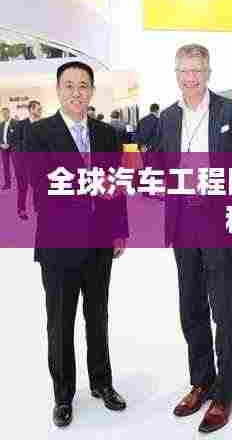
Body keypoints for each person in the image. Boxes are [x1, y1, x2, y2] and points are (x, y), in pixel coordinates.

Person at [154, 44, 232, 434]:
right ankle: (202, 381)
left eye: (197, 70)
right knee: (191, 307)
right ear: (176, 73)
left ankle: (225, 394)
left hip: (221, 221)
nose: (190, 77)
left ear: (209, 72)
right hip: (183, 222)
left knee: (225, 311)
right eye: (184, 70)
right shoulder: (167, 118)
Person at [25, 61, 129, 427]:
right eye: (68, 85)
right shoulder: (39, 134)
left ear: (92, 91)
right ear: (58, 90)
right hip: (59, 246)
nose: (76, 92)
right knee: (60, 323)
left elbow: (117, 186)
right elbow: (43, 188)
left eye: (83, 85)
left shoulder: (106, 134)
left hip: (100, 244)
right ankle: (63, 396)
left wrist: (120, 230)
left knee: (98, 317)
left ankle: (102, 383)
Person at [14, 100, 43, 219]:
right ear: (31, 110)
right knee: (23, 187)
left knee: (38, 186)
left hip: (38, 163)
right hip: (23, 162)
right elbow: (16, 143)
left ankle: (38, 207)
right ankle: (21, 209)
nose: (40, 111)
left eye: (41, 109)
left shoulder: (43, 125)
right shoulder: (21, 124)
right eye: (38, 109)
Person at [0, 107, 17, 190]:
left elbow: (17, 137)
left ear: (9, 113)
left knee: (16, 166)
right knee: (5, 167)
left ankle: (20, 183)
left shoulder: (15, 123)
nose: (4, 115)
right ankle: (7, 184)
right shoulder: (1, 124)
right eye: (3, 113)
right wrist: (1, 144)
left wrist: (9, 144)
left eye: (5, 113)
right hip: (3, 148)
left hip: (13, 148)